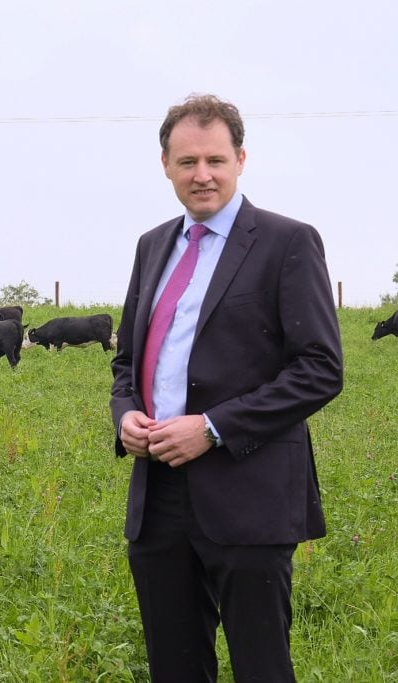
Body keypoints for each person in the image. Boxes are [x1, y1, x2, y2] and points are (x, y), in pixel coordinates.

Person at [109, 94, 343, 681]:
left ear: (241, 159)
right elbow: (128, 362)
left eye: (215, 159)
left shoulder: (287, 242)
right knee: (175, 666)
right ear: (165, 165)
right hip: (159, 496)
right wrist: (126, 415)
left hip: (250, 495)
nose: (202, 175)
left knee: (262, 668)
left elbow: (320, 367)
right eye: (187, 162)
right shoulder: (153, 245)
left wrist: (213, 428)